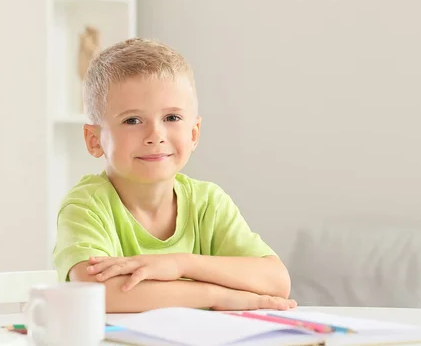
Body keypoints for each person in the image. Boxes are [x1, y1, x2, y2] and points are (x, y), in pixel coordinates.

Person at [52, 38, 296, 313]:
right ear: (94, 140)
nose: (155, 135)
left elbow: (276, 280)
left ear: (194, 133)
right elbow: (97, 294)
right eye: (132, 120)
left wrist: (180, 264)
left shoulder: (208, 203)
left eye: (171, 118)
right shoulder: (86, 206)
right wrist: (215, 295)